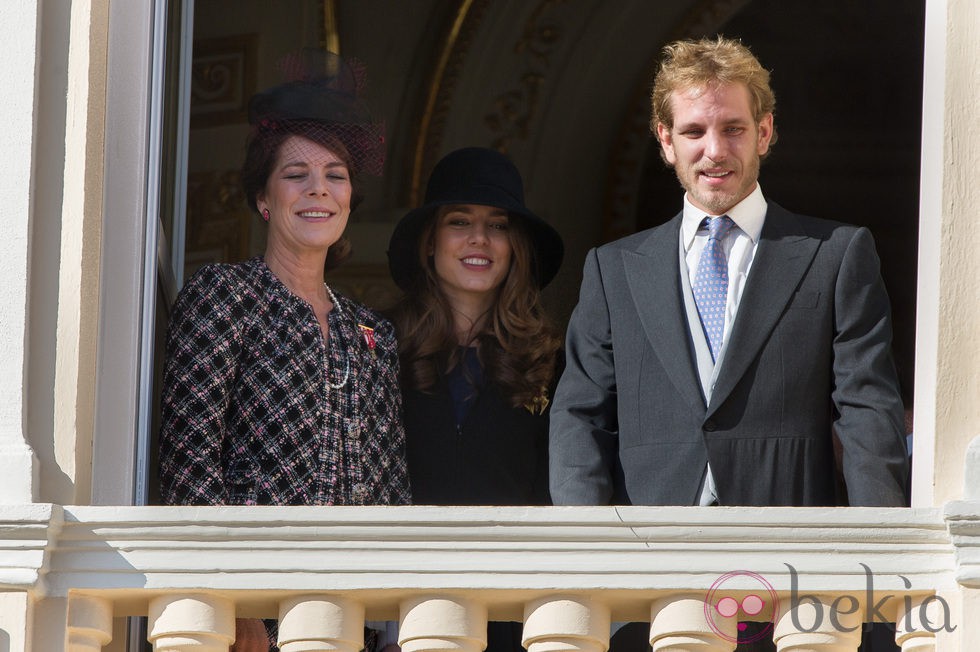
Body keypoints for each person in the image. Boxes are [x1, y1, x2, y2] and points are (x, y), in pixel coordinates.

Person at [549, 36, 909, 647]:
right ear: (665, 141)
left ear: (765, 132)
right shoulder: (613, 269)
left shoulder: (838, 254)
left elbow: (867, 411)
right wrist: (588, 556)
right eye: (693, 131)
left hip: (795, 583)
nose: (715, 151)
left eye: (734, 128)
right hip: (648, 584)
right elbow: (579, 416)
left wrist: (879, 569)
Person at [159, 52, 411, 651]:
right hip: (254, 617)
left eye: (335, 174)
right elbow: (188, 467)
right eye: (295, 174)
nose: (318, 189)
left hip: (353, 618)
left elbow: (394, 494)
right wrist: (234, 607)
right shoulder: (227, 297)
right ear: (264, 198)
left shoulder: (370, 332)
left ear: (349, 199)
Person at [387, 147, 563, 651]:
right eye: (459, 221)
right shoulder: (378, 351)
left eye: (498, 225)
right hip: (401, 614)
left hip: (515, 617)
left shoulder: (553, 362)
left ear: (516, 247)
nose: (479, 239)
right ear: (430, 242)